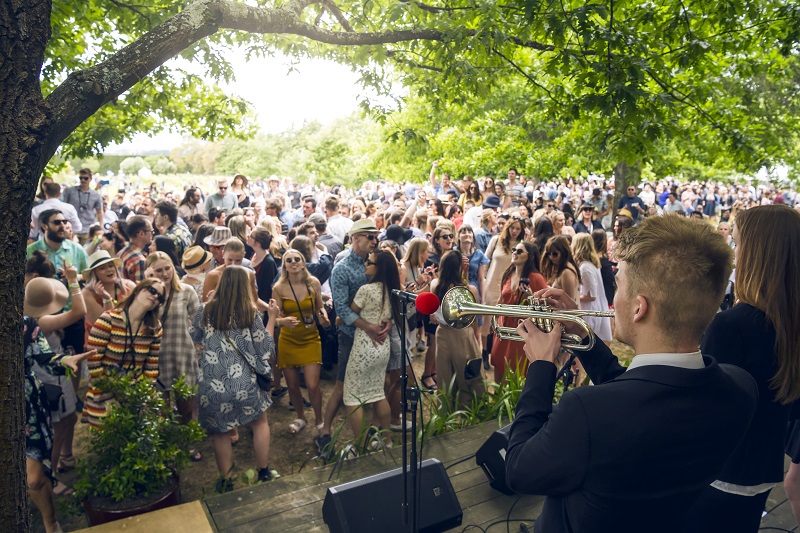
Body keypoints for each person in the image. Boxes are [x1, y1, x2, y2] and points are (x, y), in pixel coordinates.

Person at [506, 215, 759, 533]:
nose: (613, 297)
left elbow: (517, 470)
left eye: (618, 285)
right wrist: (584, 336)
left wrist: (541, 367)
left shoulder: (585, 412)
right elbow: (638, 395)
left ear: (639, 308)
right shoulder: (740, 387)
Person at [682, 205, 800, 532]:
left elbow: (698, 409)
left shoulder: (733, 326)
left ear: (758, 254)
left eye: (736, 243)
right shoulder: (789, 324)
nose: (734, 254)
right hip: (762, 469)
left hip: (719, 474)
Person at [191, 267, 281, 492]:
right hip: (245, 382)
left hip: (213, 384)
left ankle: (226, 480)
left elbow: (197, 337)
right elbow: (266, 347)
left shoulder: (205, 310)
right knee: (260, 423)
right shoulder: (250, 313)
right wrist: (272, 317)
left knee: (220, 433)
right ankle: (264, 471)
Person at [316, 218, 388, 456]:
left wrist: (386, 321)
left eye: (376, 237)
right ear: (355, 238)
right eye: (370, 237)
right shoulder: (341, 269)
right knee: (342, 385)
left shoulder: (376, 262)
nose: (374, 241)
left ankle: (375, 430)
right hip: (351, 336)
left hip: (376, 337)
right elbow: (342, 310)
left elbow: (385, 295)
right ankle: (325, 431)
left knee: (378, 384)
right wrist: (368, 326)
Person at [22, 295, 93, 533]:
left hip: (26, 410)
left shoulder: (25, 323)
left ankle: (51, 523)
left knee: (33, 479)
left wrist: (64, 360)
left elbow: (45, 358)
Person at [84, 279, 165, 427]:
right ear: (138, 290)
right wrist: (108, 398)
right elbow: (93, 363)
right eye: (152, 290)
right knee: (107, 436)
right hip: (103, 391)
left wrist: (146, 397)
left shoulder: (154, 328)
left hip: (135, 394)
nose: (155, 296)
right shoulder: (108, 319)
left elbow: (151, 368)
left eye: (160, 297)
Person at [343, 250, 399, 448]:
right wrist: (389, 323)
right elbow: (394, 315)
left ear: (379, 268)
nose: (365, 264)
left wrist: (339, 318)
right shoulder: (393, 290)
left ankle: (360, 445)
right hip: (382, 347)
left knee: (352, 397)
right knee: (377, 394)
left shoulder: (366, 290)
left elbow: (350, 313)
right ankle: (387, 440)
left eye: (370, 262)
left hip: (365, 346)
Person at [272, 249, 329, 434]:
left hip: (311, 338)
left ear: (303, 263)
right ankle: (300, 417)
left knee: (312, 385)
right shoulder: (278, 288)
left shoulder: (314, 283)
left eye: (297, 259)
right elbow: (273, 318)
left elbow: (319, 306)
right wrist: (283, 321)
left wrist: (324, 317)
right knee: (292, 385)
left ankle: (319, 419)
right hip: (288, 340)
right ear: (285, 265)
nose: (293, 262)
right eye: (289, 260)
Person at [144, 252, 199, 431]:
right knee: (161, 409)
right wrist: (150, 287)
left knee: (186, 408)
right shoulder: (146, 295)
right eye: (158, 270)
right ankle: (168, 441)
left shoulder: (186, 291)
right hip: (155, 357)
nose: (165, 273)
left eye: (168, 268)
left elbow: (199, 323)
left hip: (182, 352)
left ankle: (187, 439)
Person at [429, 250, 487, 405]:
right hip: (463, 334)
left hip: (442, 333)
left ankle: (446, 410)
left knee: (445, 375)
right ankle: (470, 409)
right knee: (468, 375)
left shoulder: (435, 285)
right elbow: (472, 319)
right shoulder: (470, 290)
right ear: (459, 268)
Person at [489, 242, 547, 382]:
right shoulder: (508, 274)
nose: (514, 253)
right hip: (503, 329)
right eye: (514, 250)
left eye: (520, 251)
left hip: (521, 333)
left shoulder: (536, 278)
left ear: (530, 256)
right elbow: (500, 299)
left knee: (516, 370)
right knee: (498, 362)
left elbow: (545, 308)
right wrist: (494, 319)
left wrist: (530, 297)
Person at [571, 233, 612, 342]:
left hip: (589, 312)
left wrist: (573, 296)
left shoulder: (585, 268)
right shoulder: (590, 264)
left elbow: (591, 296)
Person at [61, 169, 103, 244]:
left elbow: (99, 212)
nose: (83, 180)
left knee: (86, 250)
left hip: (88, 229)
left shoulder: (96, 195)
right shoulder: (69, 191)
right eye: (81, 178)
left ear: (90, 179)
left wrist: (100, 227)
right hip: (72, 229)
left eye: (85, 178)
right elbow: (63, 207)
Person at [117, 215, 153, 282]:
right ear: (141, 234)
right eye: (151, 231)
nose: (153, 233)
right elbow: (141, 287)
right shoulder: (139, 260)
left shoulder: (121, 252)